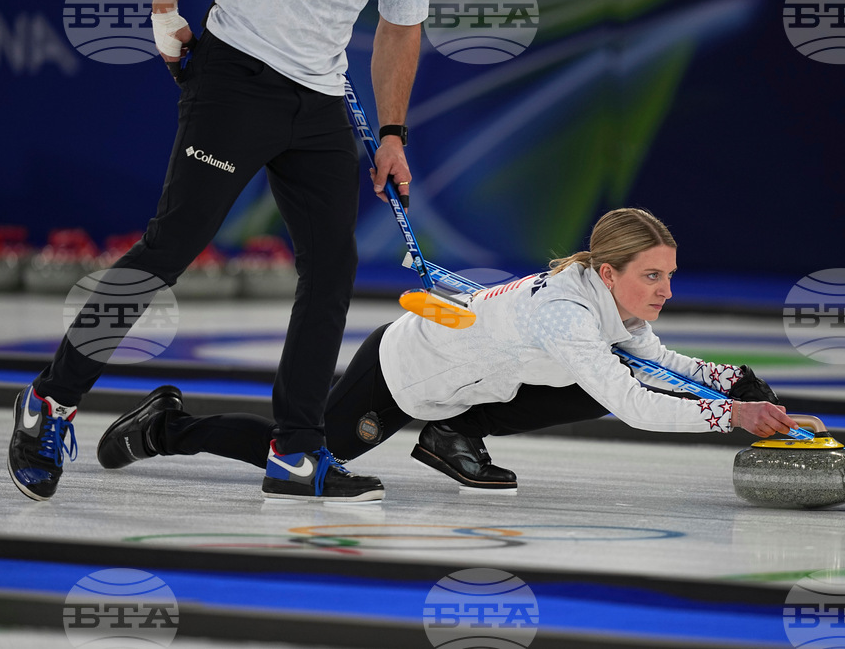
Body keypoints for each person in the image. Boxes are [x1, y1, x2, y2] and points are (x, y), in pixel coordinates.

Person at [8, 0, 430, 503]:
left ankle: (296, 450)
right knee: (167, 251)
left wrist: (392, 134)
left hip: (321, 97)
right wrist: (165, 4)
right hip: (236, 75)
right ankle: (48, 402)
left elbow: (400, 25)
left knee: (332, 267)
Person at [94, 208, 799, 493]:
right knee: (307, 460)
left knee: (603, 377)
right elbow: (636, 405)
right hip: (403, 375)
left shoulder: (607, 299)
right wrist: (729, 417)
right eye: (654, 277)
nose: (664, 291)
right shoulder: (568, 316)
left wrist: (730, 380)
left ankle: (452, 434)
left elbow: (658, 362)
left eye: (669, 276)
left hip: (469, 384)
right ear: (611, 273)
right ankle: (168, 426)